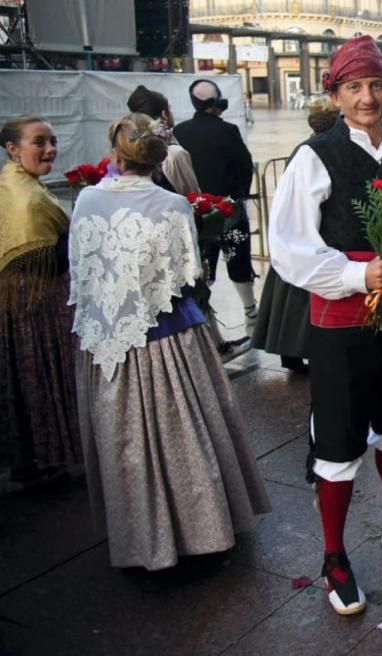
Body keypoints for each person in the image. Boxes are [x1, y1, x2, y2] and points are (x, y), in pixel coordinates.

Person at [269, 36, 382, 615]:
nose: (366, 97)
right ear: (335, 94)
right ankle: (334, 556)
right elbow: (288, 248)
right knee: (340, 439)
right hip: (342, 318)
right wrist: (355, 274)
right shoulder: (315, 155)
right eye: (353, 87)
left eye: (375, 85)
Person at [69, 113, 269, 570]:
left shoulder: (85, 200)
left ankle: (138, 532)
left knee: (123, 437)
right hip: (168, 339)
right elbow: (188, 279)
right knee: (183, 430)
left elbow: (80, 270)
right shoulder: (172, 205)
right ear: (158, 157)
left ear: (115, 153)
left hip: (105, 341)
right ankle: (201, 528)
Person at [0, 115, 79, 485]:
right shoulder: (29, 200)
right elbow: (54, 256)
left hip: (21, 299)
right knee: (41, 373)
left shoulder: (12, 181)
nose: (50, 150)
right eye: (39, 142)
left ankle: (32, 456)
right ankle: (50, 455)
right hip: (36, 301)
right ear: (12, 149)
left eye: (53, 141)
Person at [252, 99, 340, 373]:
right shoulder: (317, 151)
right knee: (303, 299)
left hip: (298, 234)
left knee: (287, 299)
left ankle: (287, 351)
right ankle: (302, 351)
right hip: (316, 234)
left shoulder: (304, 148)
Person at [173, 79, 258, 331]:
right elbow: (245, 166)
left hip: (196, 211)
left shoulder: (180, 131)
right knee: (238, 259)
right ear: (218, 102)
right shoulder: (228, 130)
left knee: (203, 264)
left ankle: (205, 319)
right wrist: (239, 196)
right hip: (228, 208)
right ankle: (251, 313)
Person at [126, 84, 201, 196]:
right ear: (164, 114)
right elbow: (193, 197)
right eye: (170, 109)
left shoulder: (129, 149)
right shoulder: (174, 154)